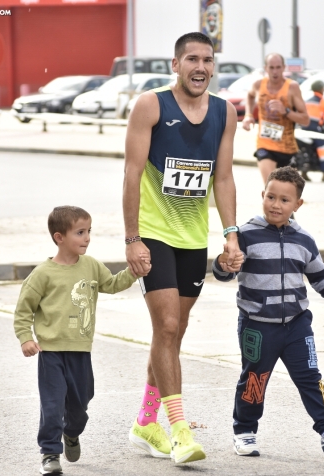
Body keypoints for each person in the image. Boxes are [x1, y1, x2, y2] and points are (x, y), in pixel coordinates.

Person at [123, 32, 242, 464]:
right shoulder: (151, 106)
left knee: (170, 335)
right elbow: (132, 173)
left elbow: (223, 178)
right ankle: (179, 431)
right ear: (175, 64)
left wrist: (231, 234)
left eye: (208, 60)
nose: (200, 67)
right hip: (154, 233)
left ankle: (144, 421)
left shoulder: (225, 113)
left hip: (194, 237)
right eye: (191, 59)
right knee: (169, 328)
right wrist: (132, 238)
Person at [212, 166, 324, 458]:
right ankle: (244, 431)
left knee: (310, 377)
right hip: (257, 327)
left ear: (298, 205)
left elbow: (321, 278)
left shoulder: (304, 240)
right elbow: (225, 273)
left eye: (285, 200)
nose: (276, 205)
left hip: (297, 325)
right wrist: (223, 263)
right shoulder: (246, 235)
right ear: (262, 195)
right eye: (271, 197)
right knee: (254, 380)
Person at [13, 206, 149, 475]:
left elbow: (111, 284)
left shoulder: (91, 265)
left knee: (81, 404)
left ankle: (71, 433)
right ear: (59, 237)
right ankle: (50, 453)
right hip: (51, 352)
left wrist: (134, 272)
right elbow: (23, 310)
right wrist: (25, 338)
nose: (87, 238)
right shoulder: (42, 274)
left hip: (80, 351)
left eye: (88, 232)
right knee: (52, 405)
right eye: (80, 232)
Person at [242, 53, 309, 183]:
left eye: (278, 67)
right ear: (265, 68)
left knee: (286, 193)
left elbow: (305, 119)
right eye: (271, 67)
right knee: (270, 186)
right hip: (265, 145)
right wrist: (248, 115)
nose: (275, 71)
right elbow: (249, 96)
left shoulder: (292, 87)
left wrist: (286, 111)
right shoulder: (258, 85)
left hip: (287, 147)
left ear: (284, 68)